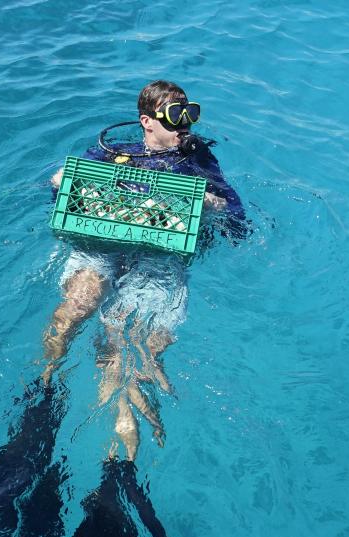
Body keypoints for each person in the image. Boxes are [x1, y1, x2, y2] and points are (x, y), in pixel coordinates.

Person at [42, 79, 247, 461]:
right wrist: (59, 185)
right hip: (103, 242)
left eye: (190, 115)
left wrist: (216, 206)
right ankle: (46, 376)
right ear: (147, 121)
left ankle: (121, 423)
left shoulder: (199, 161)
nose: (186, 126)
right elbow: (64, 190)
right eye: (175, 117)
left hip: (160, 257)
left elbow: (237, 217)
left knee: (136, 339)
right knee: (77, 304)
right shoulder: (111, 154)